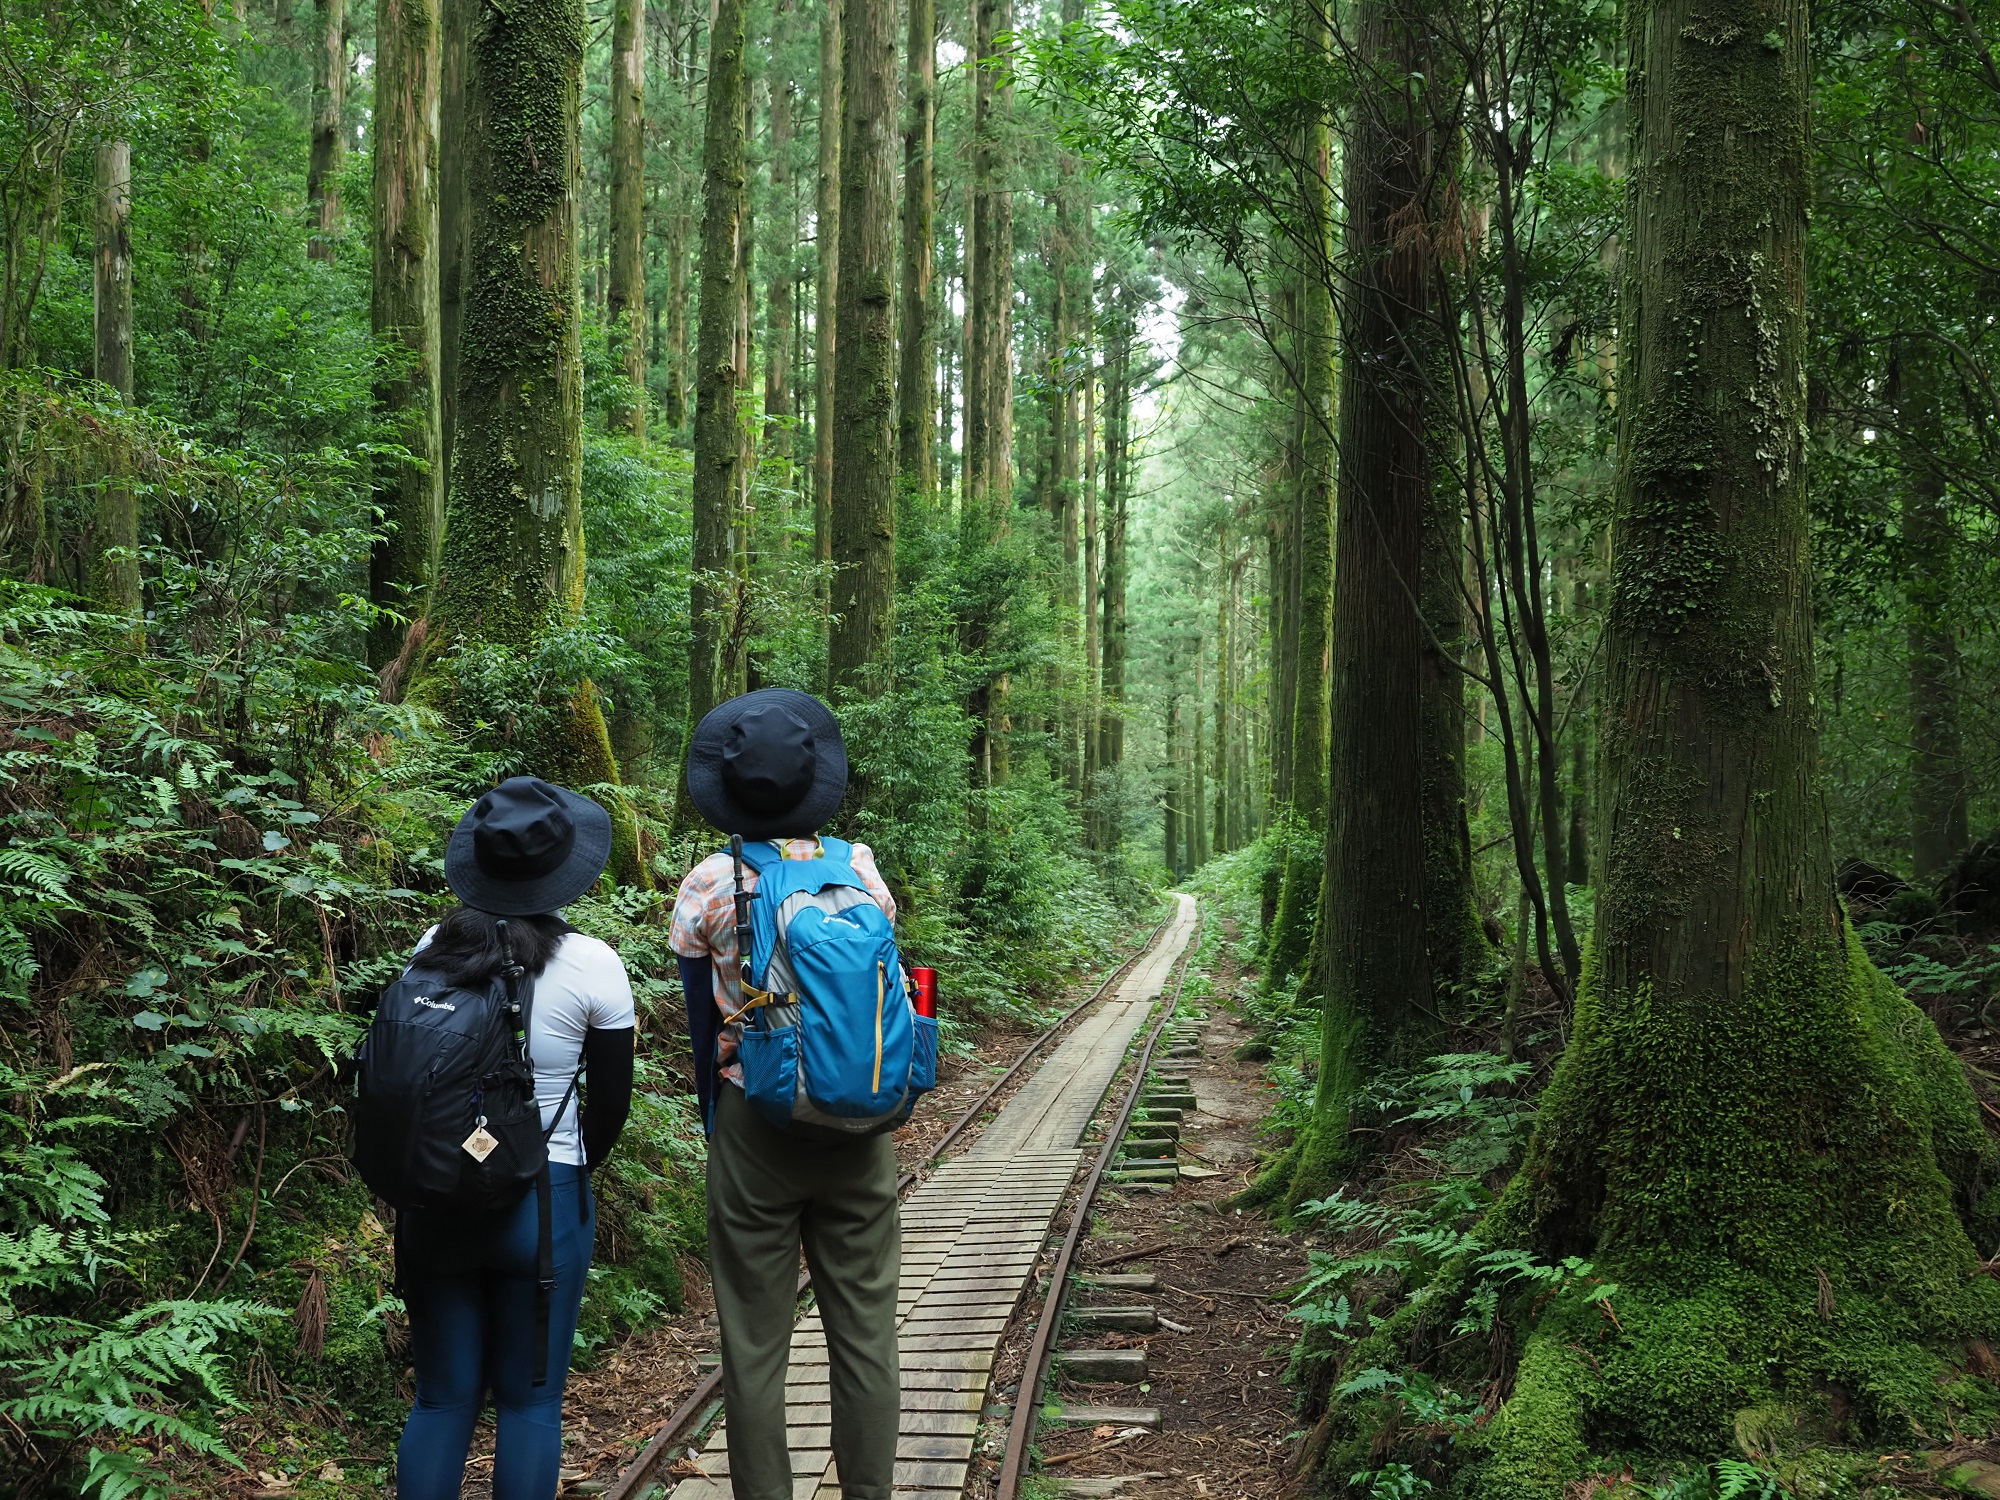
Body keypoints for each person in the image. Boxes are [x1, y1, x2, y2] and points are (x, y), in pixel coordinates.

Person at [670, 689, 901, 1500]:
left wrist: (717, 1120)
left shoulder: (708, 883)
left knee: (755, 1346)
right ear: (815, 784)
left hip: (752, 1121)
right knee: (868, 1336)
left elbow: (702, 1029)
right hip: (862, 1123)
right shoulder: (861, 868)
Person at [394, 777, 636, 1500]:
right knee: (530, 1403)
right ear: (562, 868)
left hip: (435, 1197)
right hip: (543, 1203)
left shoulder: (432, 946)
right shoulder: (594, 964)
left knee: (441, 1399)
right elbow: (610, 1110)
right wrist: (566, 1162)